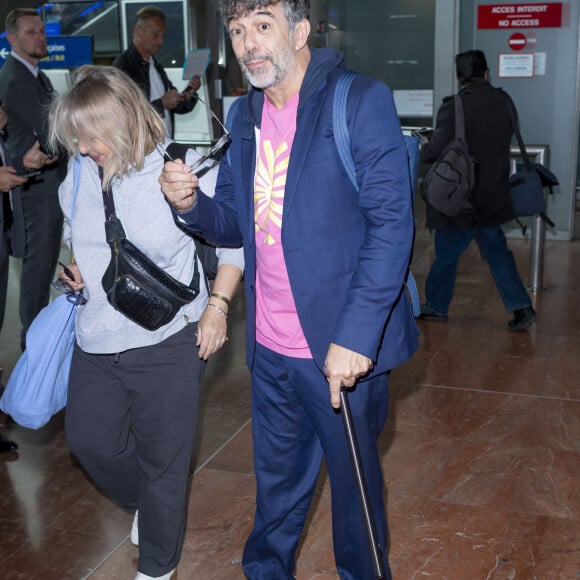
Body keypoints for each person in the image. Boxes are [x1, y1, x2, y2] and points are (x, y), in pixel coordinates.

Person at [159, 1, 418, 578]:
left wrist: (356, 337)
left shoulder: (358, 98)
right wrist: (189, 206)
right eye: (237, 30)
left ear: (300, 31)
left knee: (354, 494)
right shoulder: (243, 113)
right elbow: (234, 221)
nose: (248, 43)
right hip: (271, 348)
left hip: (339, 350)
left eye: (262, 26)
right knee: (276, 491)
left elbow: (392, 226)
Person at [48, 64, 243, 580]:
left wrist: (218, 309)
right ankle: (154, 504)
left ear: (122, 121)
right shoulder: (79, 171)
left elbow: (232, 243)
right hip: (95, 337)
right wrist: (75, 269)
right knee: (90, 443)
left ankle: (157, 567)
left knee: (164, 461)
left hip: (169, 339)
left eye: (91, 136)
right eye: (76, 137)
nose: (84, 146)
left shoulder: (183, 168)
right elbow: (78, 232)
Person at [419, 49, 537, 331]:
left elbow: (435, 150)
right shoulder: (504, 101)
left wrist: (428, 142)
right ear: (485, 73)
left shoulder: (455, 106)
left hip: (461, 199)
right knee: (497, 252)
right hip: (493, 196)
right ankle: (521, 307)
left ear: (460, 77)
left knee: (447, 252)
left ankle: (435, 306)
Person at [0, 8, 68, 350]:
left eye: (42, 31)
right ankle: (33, 353)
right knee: (38, 271)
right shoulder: (16, 79)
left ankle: (36, 349)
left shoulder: (35, 75)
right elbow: (52, 136)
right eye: (31, 32)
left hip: (45, 186)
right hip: (35, 190)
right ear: (12, 39)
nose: (40, 37)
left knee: (42, 273)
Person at [113, 5, 202, 138]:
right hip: (142, 153)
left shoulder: (155, 65)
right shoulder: (123, 66)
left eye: (162, 35)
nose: (161, 41)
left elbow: (177, 105)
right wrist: (161, 104)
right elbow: (123, 113)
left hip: (164, 147)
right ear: (139, 31)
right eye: (155, 34)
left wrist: (190, 91)